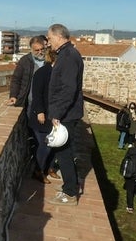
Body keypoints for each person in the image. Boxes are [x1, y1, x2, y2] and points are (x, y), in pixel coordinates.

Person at [46, 23, 84, 204]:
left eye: (50, 38)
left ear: (59, 37)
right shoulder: (68, 54)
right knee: (65, 152)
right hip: (68, 112)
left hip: (66, 114)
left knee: (64, 153)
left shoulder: (68, 56)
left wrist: (57, 114)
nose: (48, 42)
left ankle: (69, 192)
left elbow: (68, 89)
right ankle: (69, 186)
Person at [28, 48, 61, 183]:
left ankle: (50, 168)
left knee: (54, 143)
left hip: (53, 114)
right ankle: (39, 170)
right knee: (45, 144)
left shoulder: (56, 73)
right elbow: (37, 94)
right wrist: (40, 112)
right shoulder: (42, 73)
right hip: (41, 115)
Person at [7, 35, 47, 107]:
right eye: (37, 50)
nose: (40, 52)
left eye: (42, 49)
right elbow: (16, 79)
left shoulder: (49, 61)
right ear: (31, 50)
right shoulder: (24, 61)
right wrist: (13, 95)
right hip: (29, 102)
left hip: (46, 101)